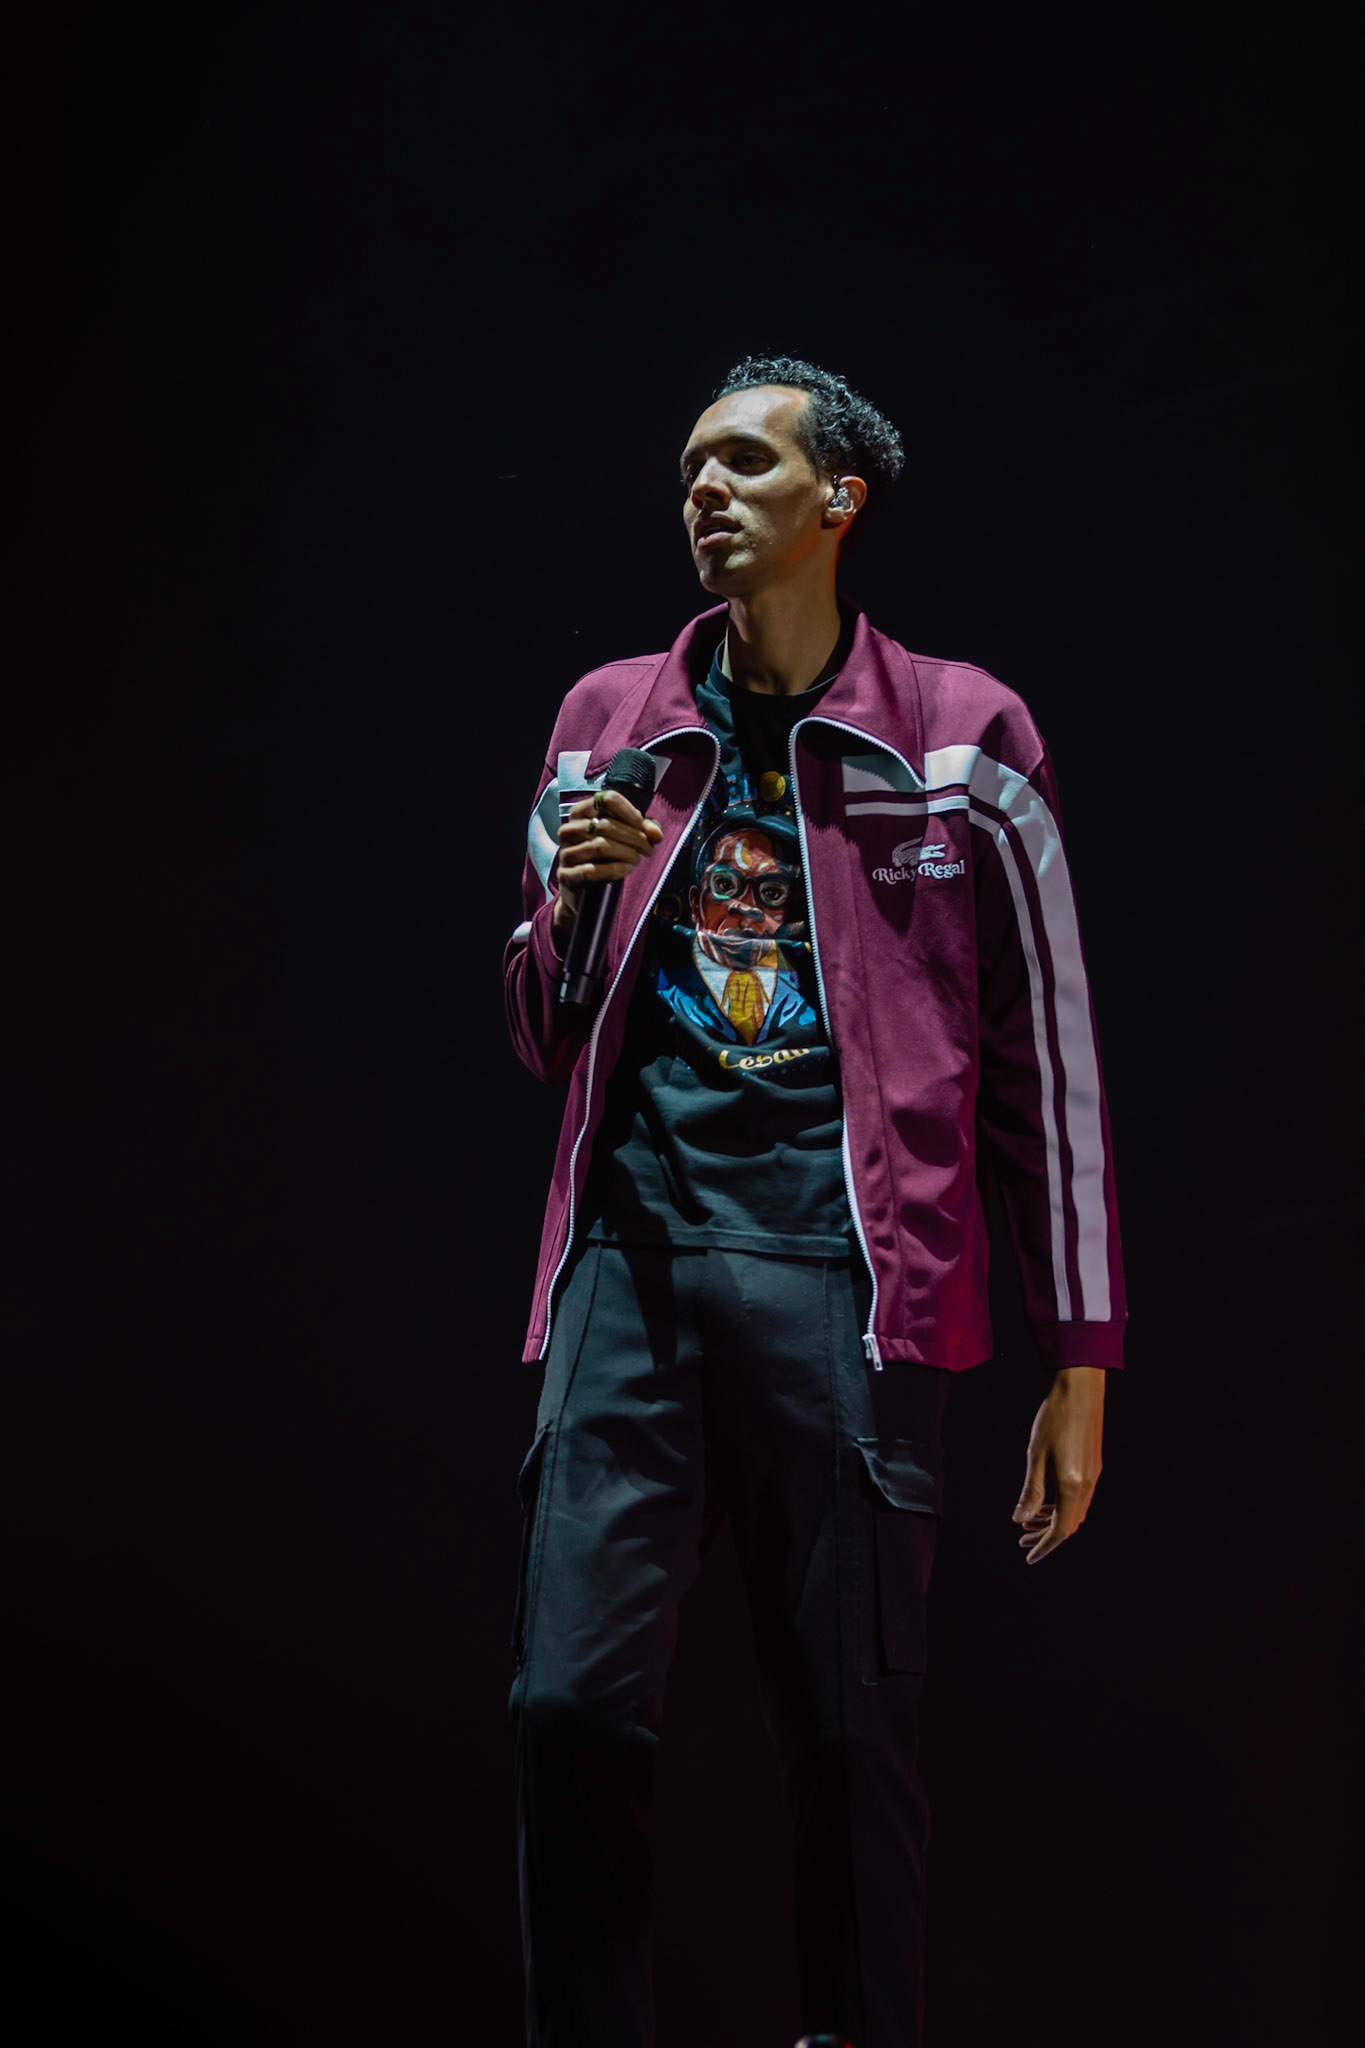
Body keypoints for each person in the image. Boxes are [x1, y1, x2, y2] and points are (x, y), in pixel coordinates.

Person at [503, 356, 1125, 2048]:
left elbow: (1047, 1058)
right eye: (689, 468)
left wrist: (1078, 1356)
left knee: (851, 1740)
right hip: (629, 1272)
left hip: (850, 1289)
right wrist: (570, 909)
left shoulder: (962, 738)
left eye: (744, 463)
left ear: (837, 499)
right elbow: (544, 1028)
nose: (704, 491)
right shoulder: (606, 720)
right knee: (566, 1711)